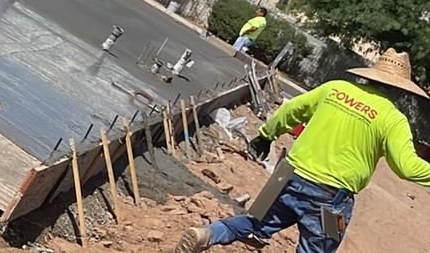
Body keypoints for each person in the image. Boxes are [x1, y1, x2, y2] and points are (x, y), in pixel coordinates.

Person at [176, 49, 430, 253]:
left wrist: (266, 135)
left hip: (290, 177)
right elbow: (407, 166)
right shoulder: (393, 119)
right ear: (400, 88)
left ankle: (209, 233)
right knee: (319, 247)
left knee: (256, 223)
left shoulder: (335, 89)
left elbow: (291, 110)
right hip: (331, 198)